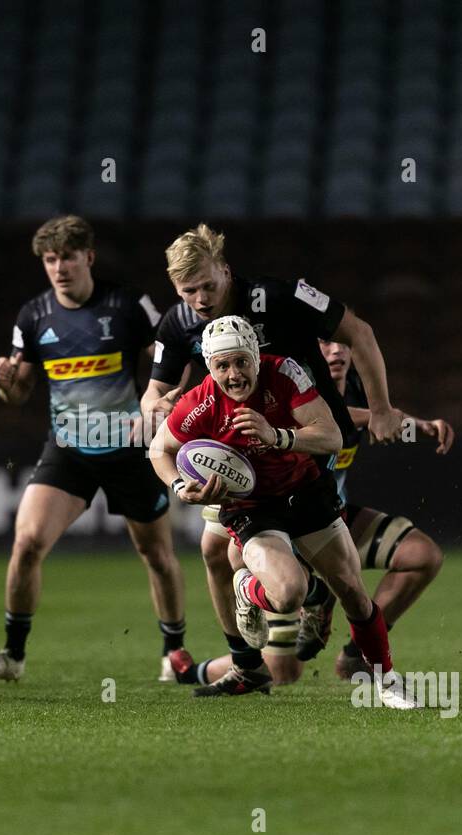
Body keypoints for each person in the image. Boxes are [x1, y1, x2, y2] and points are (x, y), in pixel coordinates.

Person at [139, 223, 404, 682]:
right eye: (188, 291)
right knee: (219, 552)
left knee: (273, 570)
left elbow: (358, 332)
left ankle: (281, 627)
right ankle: (255, 653)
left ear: (226, 270)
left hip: (309, 444)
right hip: (238, 457)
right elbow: (153, 397)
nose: (200, 299)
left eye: (208, 285)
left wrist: (380, 407)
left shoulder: (278, 296)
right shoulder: (179, 323)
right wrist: (158, 406)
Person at [0, 215, 189, 684]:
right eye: (50, 259)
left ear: (88, 256)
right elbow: (19, 391)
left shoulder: (128, 304)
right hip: (69, 451)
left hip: (131, 449)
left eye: (67, 257)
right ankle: (13, 656)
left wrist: (163, 404)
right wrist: (5, 384)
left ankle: (173, 651)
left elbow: (170, 359)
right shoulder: (33, 316)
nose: (59, 267)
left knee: (157, 556)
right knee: (26, 544)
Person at [202, 339, 452, 685]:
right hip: (279, 525)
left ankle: (356, 654)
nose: (336, 352)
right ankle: (189, 669)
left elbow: (368, 419)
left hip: (326, 516)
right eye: (325, 343)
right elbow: (330, 421)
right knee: (283, 671)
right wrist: (388, 417)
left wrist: (408, 424)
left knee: (421, 555)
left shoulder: (358, 389)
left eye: (345, 344)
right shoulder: (289, 388)